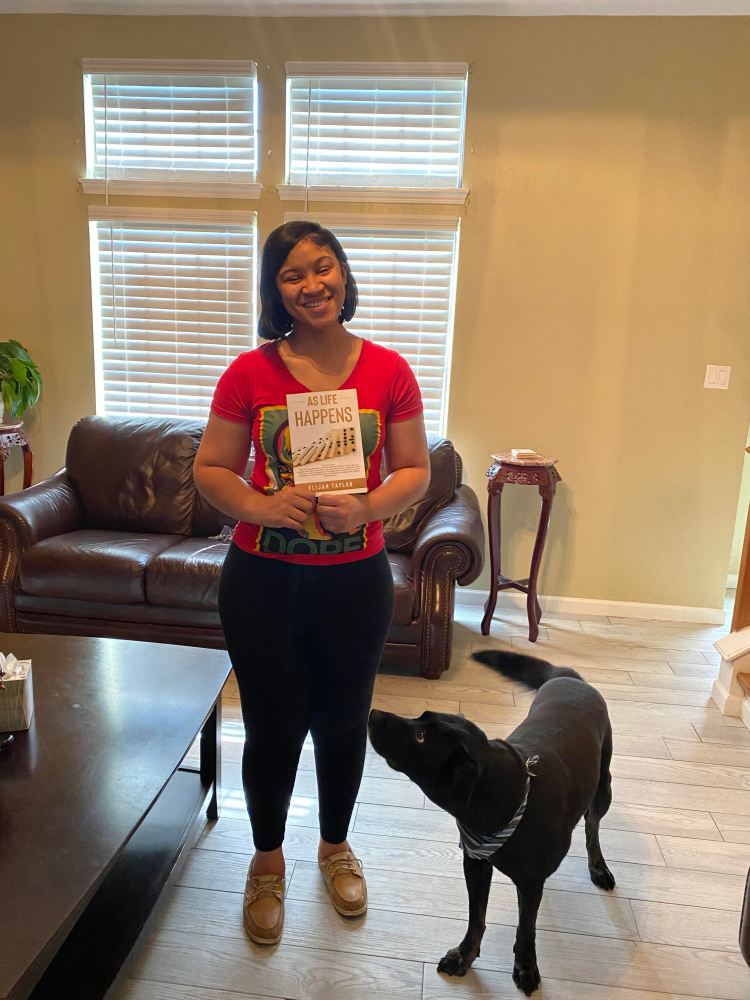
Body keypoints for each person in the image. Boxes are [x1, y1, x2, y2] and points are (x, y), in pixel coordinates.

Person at [193, 220, 430, 945]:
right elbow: (211, 469)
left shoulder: (389, 370)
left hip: (355, 582)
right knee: (271, 725)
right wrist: (263, 506)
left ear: (343, 274)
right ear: (276, 291)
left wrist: (368, 505)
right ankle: (267, 861)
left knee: (343, 720)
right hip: (263, 581)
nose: (311, 284)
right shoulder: (248, 374)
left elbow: (415, 470)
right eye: (292, 274)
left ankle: (334, 846)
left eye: (322, 267)